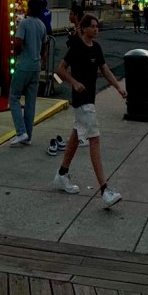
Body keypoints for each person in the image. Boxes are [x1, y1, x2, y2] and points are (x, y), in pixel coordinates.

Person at [53, 13, 125, 206]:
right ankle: (104, 190)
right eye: (92, 26)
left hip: (90, 98)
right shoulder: (76, 47)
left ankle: (62, 174)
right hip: (82, 100)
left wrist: (118, 87)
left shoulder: (97, 48)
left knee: (76, 137)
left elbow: (105, 70)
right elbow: (60, 70)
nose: (96, 29)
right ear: (84, 28)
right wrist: (74, 82)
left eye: (97, 26)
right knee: (94, 139)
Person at [9, 0, 47, 145]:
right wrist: (42, 59)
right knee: (31, 102)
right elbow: (45, 44)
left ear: (30, 9)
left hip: (24, 65)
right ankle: (28, 135)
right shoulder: (42, 25)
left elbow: (18, 41)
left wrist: (18, 52)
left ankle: (20, 131)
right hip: (36, 66)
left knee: (14, 97)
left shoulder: (24, 23)